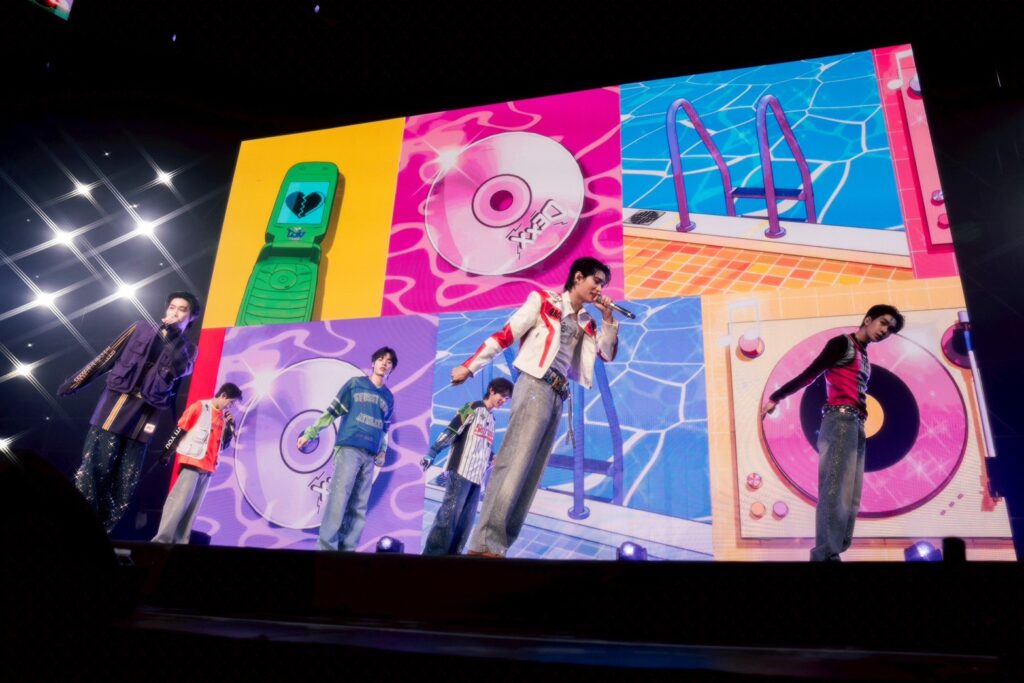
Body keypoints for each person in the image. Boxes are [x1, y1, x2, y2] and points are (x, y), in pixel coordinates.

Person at [451, 256, 620, 557]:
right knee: (514, 463)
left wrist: (608, 319)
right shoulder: (543, 301)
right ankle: (484, 544)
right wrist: (470, 366)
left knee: (531, 473)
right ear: (578, 277)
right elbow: (506, 335)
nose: (600, 289)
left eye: (603, 285)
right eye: (596, 281)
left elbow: (606, 354)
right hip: (534, 386)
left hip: (558, 394)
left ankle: (500, 545)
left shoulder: (588, 322)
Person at [761, 304, 905, 562]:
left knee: (851, 495)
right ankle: (824, 555)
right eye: (883, 322)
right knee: (835, 490)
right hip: (840, 421)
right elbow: (810, 374)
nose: (885, 330)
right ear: (868, 319)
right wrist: (777, 396)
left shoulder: (864, 355)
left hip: (856, 425)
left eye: (890, 329)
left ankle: (834, 552)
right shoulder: (842, 344)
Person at [58, 291, 200, 532]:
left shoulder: (188, 349)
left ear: (191, 317)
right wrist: (75, 382)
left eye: (182, 309)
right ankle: (78, 527)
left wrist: (173, 337)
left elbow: (180, 369)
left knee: (125, 480)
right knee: (95, 467)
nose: (175, 312)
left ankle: (102, 531)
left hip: (145, 415)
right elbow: (108, 355)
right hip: (115, 406)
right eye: (172, 307)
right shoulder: (140, 328)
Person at [297, 347, 396, 551]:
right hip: (349, 448)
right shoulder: (355, 385)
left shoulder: (388, 397)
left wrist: (382, 450)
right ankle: (327, 549)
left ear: (391, 369)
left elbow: (384, 428)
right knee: (339, 499)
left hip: (370, 454)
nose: (384, 363)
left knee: (359, 505)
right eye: (380, 359)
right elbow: (331, 412)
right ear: (373, 363)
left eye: (389, 362)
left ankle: (348, 550)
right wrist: (310, 433)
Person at [420, 377, 514, 555]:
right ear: (491, 390)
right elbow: (452, 429)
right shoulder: (472, 407)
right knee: (448, 518)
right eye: (502, 395)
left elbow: (483, 447)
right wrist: (433, 452)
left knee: (465, 523)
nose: (503, 400)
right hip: (461, 471)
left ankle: (454, 557)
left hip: (477, 478)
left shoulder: (492, 419)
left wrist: (493, 457)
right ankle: (432, 556)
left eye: (507, 398)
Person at [151, 383, 242, 544]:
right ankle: (162, 541)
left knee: (192, 510)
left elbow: (223, 445)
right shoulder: (200, 407)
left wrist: (230, 428)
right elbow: (180, 429)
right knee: (177, 504)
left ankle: (181, 542)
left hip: (208, 469)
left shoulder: (223, 418)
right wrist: (167, 452)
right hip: (192, 463)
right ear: (223, 396)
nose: (231, 406)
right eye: (231, 402)